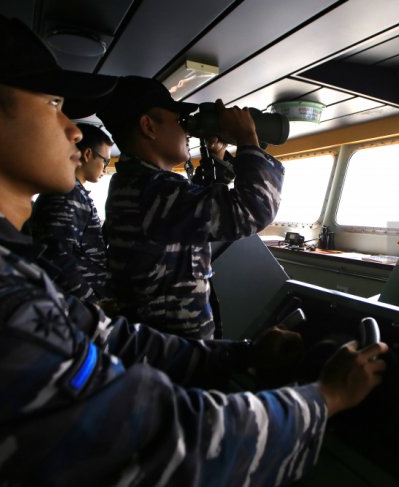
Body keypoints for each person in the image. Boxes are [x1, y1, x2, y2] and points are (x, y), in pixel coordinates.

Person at [0, 4, 388, 487]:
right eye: (52, 105)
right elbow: (164, 442)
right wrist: (325, 398)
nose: (72, 129)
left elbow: (104, 336)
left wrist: (241, 356)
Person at [98, 76, 284, 340]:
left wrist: (217, 155)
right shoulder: (155, 190)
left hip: (160, 345)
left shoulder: (140, 185)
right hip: (172, 355)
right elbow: (253, 210)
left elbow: (198, 207)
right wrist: (247, 137)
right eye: (178, 121)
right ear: (148, 127)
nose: (186, 131)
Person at [29, 123, 114, 303]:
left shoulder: (74, 193)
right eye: (105, 161)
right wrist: (90, 302)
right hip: (79, 303)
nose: (105, 168)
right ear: (88, 154)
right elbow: (57, 256)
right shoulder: (66, 194)